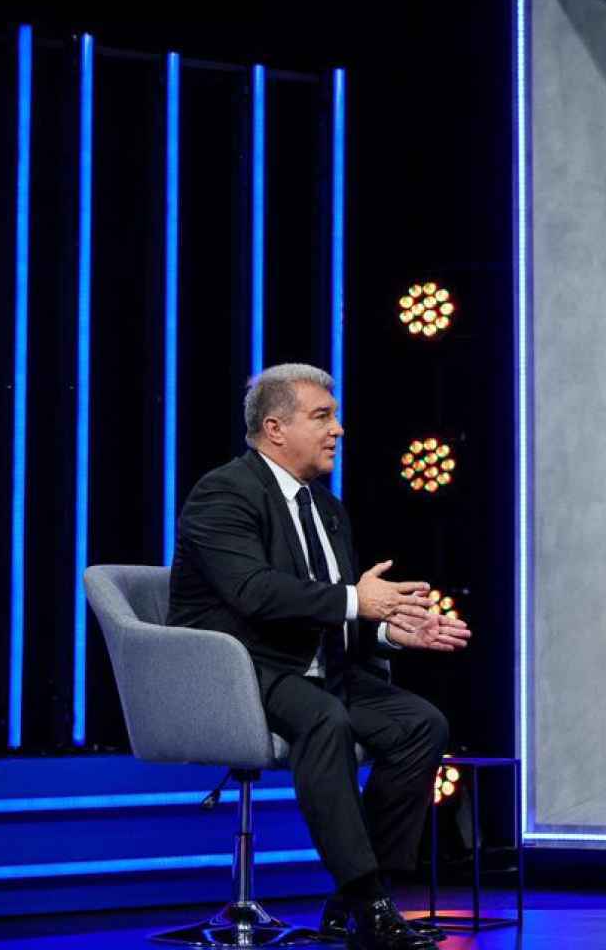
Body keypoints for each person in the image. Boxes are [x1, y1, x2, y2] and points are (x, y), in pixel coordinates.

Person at [169, 363, 470, 950]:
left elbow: (332, 611)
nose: (339, 430)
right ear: (275, 428)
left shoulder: (326, 508)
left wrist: (388, 635)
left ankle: (354, 898)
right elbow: (253, 592)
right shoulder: (224, 493)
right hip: (245, 670)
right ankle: (372, 901)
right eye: (322, 417)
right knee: (324, 719)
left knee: (420, 724)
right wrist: (361, 599)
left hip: (318, 665)